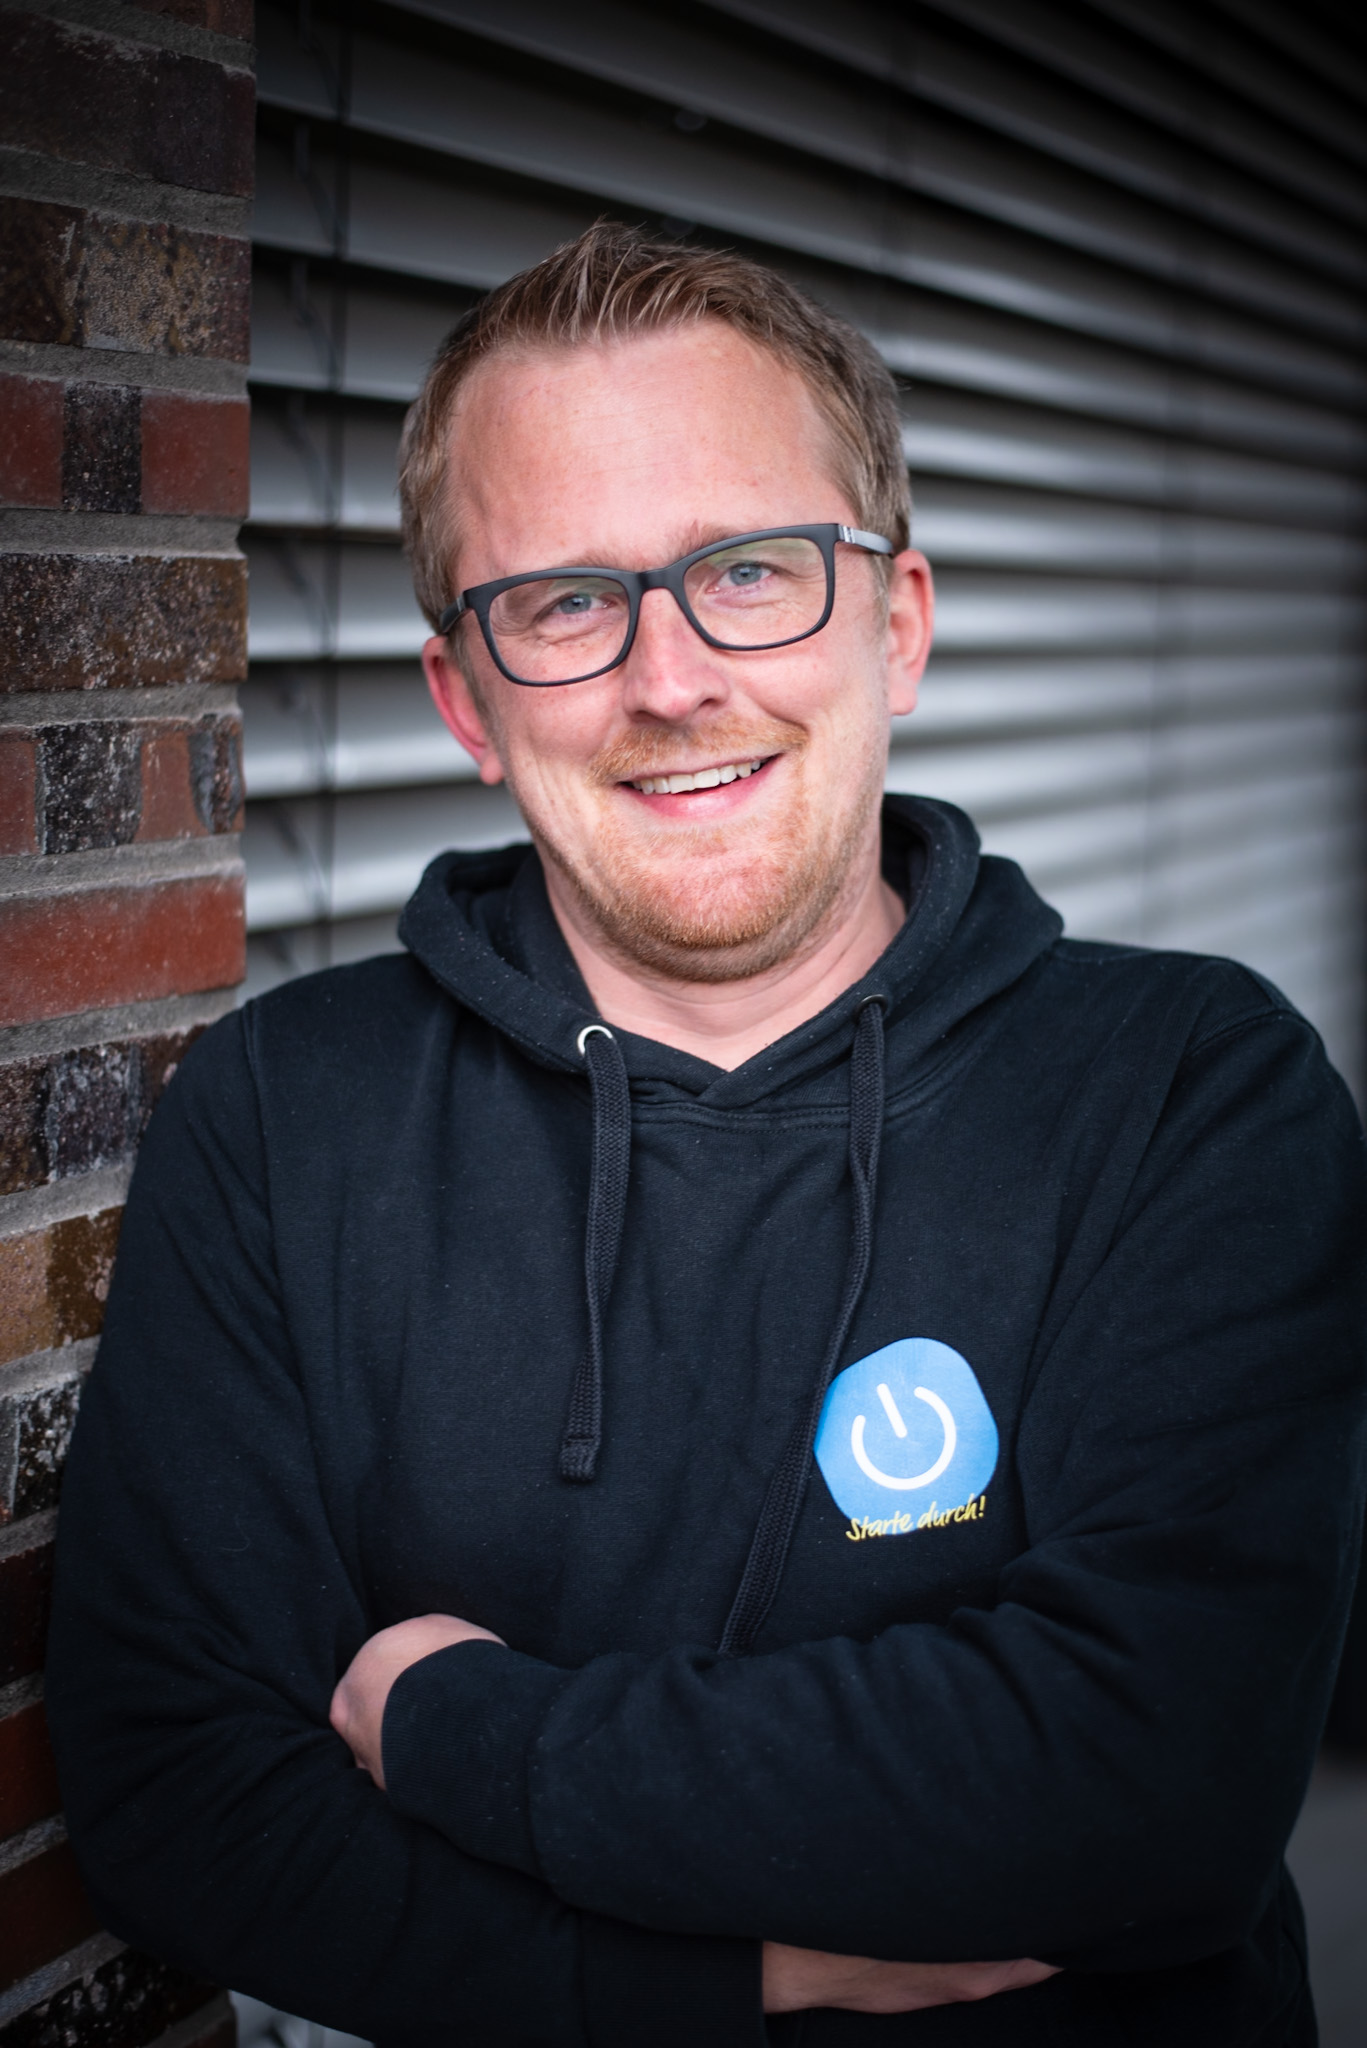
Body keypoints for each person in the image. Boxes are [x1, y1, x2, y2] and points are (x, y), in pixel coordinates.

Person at [46, 222, 1367, 2047]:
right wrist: (732, 1981)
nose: (672, 680)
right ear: (467, 701)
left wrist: (450, 1725)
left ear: (897, 625)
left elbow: (1155, 1789)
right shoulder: (285, 1118)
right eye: (565, 602)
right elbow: (181, 1799)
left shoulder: (1192, 1090)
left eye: (750, 571)